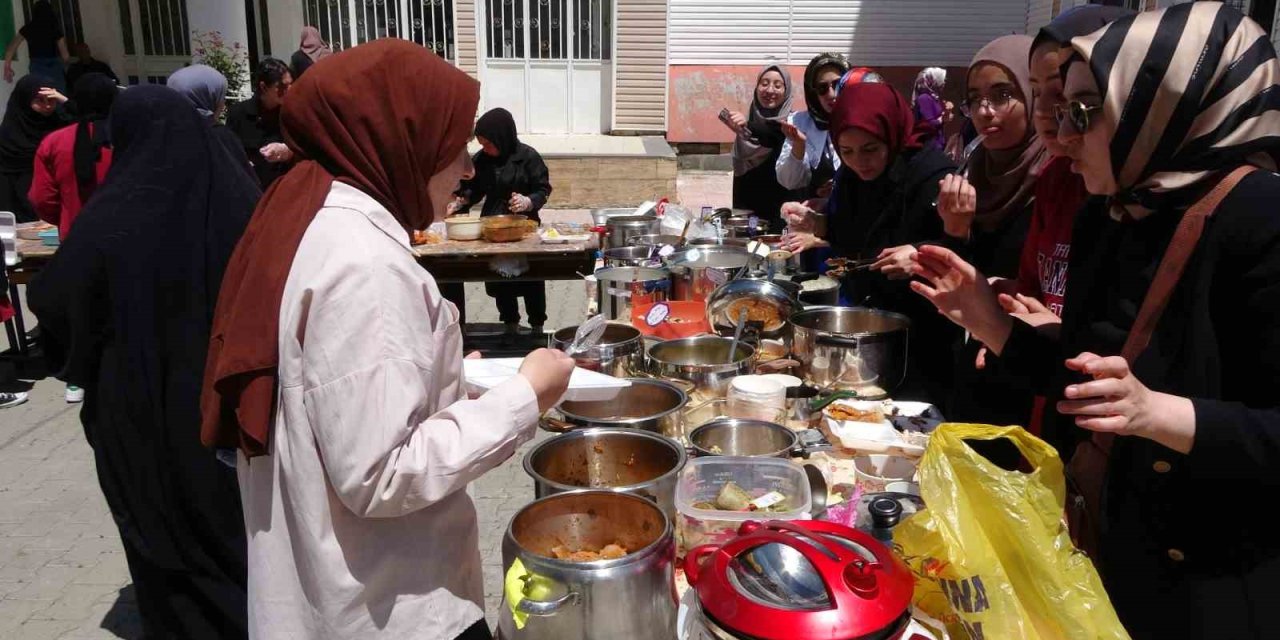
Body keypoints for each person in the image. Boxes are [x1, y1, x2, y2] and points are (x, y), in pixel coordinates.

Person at [910, 3, 1280, 635]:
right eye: (1054, 106)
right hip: (1107, 549)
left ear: (1159, 107)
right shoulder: (1113, 213)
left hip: (1213, 585)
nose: (1063, 133)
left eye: (1084, 109)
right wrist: (988, 320)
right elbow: (1081, 377)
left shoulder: (1260, 218)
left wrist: (1161, 413)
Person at [199, 40, 574, 639]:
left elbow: (338, 399)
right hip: (391, 605)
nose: (468, 168)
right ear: (401, 141)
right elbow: (382, 473)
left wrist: (439, 373)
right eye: (452, 147)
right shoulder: (365, 264)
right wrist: (525, 395)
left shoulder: (311, 214)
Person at [28, 85, 261, 639]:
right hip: (229, 410)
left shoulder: (111, 217)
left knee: (159, 525)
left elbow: (54, 305)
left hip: (136, 412)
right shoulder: (242, 204)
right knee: (235, 527)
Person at [1001, 5, 1134, 434]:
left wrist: (1050, 330)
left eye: (1070, 97)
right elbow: (1032, 284)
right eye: (1035, 90)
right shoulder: (1058, 177)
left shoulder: (1132, 199)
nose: (1046, 110)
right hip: (1053, 404)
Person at [785, 82, 958, 406]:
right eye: (846, 152)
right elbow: (854, 234)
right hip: (869, 324)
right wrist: (817, 223)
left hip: (921, 337)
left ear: (890, 135)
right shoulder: (852, 177)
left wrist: (919, 256)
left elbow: (960, 245)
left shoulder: (931, 175)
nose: (859, 162)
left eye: (870, 149)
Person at [934, 34, 1050, 432]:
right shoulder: (974, 166)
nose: (985, 111)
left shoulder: (1058, 178)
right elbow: (962, 274)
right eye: (975, 99)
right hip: (974, 355)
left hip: (1033, 367)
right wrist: (956, 232)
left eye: (1002, 95)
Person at [452, 107, 553, 338]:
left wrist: (529, 201)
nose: (484, 148)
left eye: (488, 143)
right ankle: (510, 324)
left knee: (531, 278)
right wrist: (461, 201)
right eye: (482, 144)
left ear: (502, 137)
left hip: (524, 226)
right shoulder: (482, 160)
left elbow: (543, 188)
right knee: (500, 276)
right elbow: (472, 190)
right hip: (493, 225)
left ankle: (537, 325)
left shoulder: (528, 157)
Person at [29, 72, 116, 239]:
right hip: (126, 238)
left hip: (75, 239)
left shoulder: (54, 142)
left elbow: (42, 199)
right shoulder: (130, 136)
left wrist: (66, 218)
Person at [725, 65, 793, 233]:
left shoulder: (792, 124)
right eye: (764, 83)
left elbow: (774, 135)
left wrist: (748, 127)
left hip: (779, 209)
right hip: (747, 206)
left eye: (778, 85)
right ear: (756, 88)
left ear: (787, 91)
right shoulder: (748, 121)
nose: (770, 90)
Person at [167, 64, 259, 183]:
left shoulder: (160, 133)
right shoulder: (218, 136)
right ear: (209, 97)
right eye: (221, 96)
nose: (223, 103)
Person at [777, 53, 850, 201]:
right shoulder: (799, 122)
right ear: (813, 93)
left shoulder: (863, 121)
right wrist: (799, 145)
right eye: (822, 88)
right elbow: (789, 181)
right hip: (813, 217)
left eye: (837, 84)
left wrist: (843, 184)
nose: (831, 94)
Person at [0, 75, 66, 222]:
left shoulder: (60, 125)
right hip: (14, 215)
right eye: (39, 100)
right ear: (24, 101)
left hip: (52, 214)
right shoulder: (8, 137)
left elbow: (89, 122)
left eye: (51, 100)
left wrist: (65, 100)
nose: (47, 106)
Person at [225, 57, 293, 188]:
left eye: (290, 84)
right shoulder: (238, 114)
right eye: (282, 86)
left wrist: (287, 151)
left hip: (284, 189)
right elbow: (230, 154)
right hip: (251, 190)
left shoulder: (291, 113)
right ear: (263, 87)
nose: (289, 90)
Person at [3, 1, 69, 92]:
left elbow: (11, 48)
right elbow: (65, 55)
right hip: (54, 65)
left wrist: (7, 67)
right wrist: (64, 65)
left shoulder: (28, 28)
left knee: (40, 95)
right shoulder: (55, 29)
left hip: (36, 65)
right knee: (57, 95)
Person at [911, 67, 949, 150]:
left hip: (938, 142)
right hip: (930, 145)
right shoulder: (924, 98)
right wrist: (942, 119)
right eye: (942, 79)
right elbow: (928, 123)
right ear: (933, 80)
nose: (944, 82)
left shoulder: (933, 97)